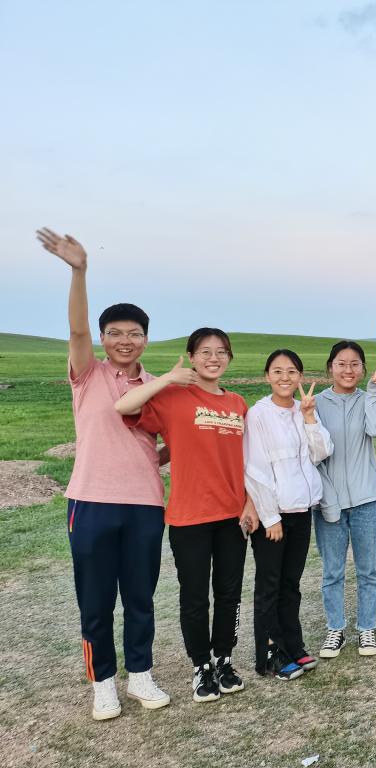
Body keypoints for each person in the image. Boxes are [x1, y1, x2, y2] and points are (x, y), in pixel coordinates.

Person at [36, 228, 170, 720]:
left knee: (140, 596)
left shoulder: (156, 386)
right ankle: (103, 683)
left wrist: (157, 459)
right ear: (103, 339)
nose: (125, 341)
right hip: (90, 501)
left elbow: (166, 444)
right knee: (95, 600)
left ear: (145, 339)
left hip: (145, 504)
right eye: (115, 333)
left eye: (133, 333)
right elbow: (76, 332)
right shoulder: (87, 373)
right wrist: (79, 271)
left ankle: (141, 674)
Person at [115, 328, 250, 704]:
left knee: (229, 592)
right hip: (189, 515)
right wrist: (168, 379)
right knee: (195, 596)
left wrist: (251, 503)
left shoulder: (238, 403)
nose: (213, 358)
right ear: (191, 357)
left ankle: (224, 660)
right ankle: (201, 666)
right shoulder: (173, 397)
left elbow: (248, 460)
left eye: (221, 352)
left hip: (232, 514)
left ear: (229, 358)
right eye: (205, 351)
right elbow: (123, 406)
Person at [244, 350, 333, 680]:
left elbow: (321, 452)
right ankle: (270, 654)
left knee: (291, 584)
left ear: (300, 376)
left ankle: (293, 646)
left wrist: (309, 417)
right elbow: (255, 468)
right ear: (267, 376)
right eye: (278, 371)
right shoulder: (259, 414)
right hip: (275, 514)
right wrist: (270, 517)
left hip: (301, 510)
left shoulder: (303, 409)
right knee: (269, 585)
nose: (285, 377)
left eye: (292, 371)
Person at [313, 341, 376, 658]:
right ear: (330, 367)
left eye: (355, 364)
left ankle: (367, 628)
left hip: (367, 498)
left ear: (363, 369)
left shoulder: (367, 398)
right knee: (332, 570)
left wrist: (374, 393)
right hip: (328, 500)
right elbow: (312, 450)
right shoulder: (316, 403)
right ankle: (335, 629)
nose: (348, 369)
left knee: (368, 569)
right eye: (341, 363)